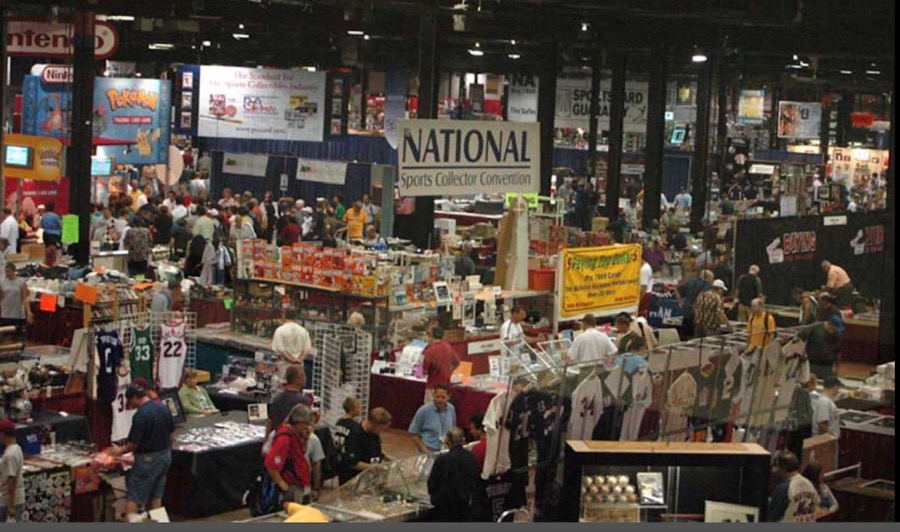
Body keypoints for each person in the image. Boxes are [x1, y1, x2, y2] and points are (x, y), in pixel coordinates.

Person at [108, 385, 175, 520]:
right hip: (165, 456)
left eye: (130, 402)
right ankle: (160, 522)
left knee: (134, 496)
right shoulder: (162, 407)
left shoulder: (140, 415)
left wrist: (118, 451)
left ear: (134, 398)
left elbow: (133, 444)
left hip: (147, 461)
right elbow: (172, 435)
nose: (130, 405)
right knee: (156, 496)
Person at [427, 427, 480, 522]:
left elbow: (432, 484)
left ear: (448, 441)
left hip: (444, 509)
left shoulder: (442, 459)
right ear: (463, 440)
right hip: (464, 506)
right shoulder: (471, 457)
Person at [265, 404, 313, 504]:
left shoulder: (293, 434)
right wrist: (283, 485)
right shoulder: (284, 437)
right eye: (306, 424)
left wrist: (305, 439)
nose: (307, 427)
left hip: (300, 483)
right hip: (292, 486)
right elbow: (270, 463)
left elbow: (300, 454)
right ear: (299, 422)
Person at [337, 407, 392, 484]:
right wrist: (375, 468)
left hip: (369, 478)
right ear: (374, 424)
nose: (381, 432)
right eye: (381, 429)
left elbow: (375, 451)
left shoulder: (374, 433)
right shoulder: (355, 434)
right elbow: (353, 463)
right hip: (353, 480)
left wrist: (390, 459)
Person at [768, 451, 820, 522]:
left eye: (777, 466)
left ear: (783, 468)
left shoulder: (783, 489)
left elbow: (771, 517)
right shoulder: (809, 484)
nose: (775, 470)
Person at [265, 365, 310, 444]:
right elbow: (305, 427)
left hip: (277, 440)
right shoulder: (303, 400)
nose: (306, 379)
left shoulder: (277, 398)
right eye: (304, 376)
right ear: (297, 380)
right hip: (294, 443)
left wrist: (266, 442)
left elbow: (270, 422)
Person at [409, 383, 456, 454]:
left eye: (443, 397)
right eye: (437, 397)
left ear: (448, 397)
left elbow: (453, 429)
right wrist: (424, 449)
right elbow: (413, 433)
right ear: (433, 395)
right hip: (428, 451)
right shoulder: (424, 410)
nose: (439, 400)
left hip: (445, 452)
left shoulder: (451, 409)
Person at [421, 327, 461, 404]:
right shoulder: (448, 347)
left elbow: (423, 371)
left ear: (431, 336)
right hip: (446, 386)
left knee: (430, 412)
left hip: (433, 386)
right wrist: (450, 372)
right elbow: (457, 362)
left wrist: (420, 359)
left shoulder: (429, 350)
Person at [801, 314, 843, 379]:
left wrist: (837, 367)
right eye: (834, 328)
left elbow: (838, 352)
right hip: (811, 364)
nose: (835, 331)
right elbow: (801, 340)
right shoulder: (814, 328)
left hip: (827, 366)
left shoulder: (837, 334)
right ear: (829, 324)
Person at [0, 419, 24, 522]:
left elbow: (11, 480)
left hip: (8, 501)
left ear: (2, 434)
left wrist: (11, 505)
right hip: (16, 499)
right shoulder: (16, 448)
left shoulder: (9, 455)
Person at [1, 264, 33, 330]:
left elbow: (25, 298)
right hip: (6, 313)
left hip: (18, 313)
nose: (7, 273)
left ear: (13, 271)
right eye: (6, 271)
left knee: (17, 334)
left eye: (8, 271)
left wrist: (28, 312)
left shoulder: (21, 282)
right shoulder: (2, 283)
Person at [811, 375, 841, 443]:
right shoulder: (824, 402)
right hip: (823, 442)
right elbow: (822, 424)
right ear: (835, 387)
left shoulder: (827, 401)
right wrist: (828, 440)